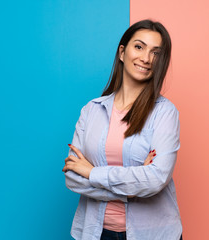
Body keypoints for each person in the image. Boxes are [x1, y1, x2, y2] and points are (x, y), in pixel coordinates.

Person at [62, 19, 183, 240]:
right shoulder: (91, 111)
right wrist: (135, 188)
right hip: (95, 233)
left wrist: (91, 172)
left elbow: (156, 179)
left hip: (151, 234)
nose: (146, 59)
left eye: (156, 53)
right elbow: (72, 177)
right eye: (139, 47)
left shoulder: (165, 113)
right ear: (122, 52)